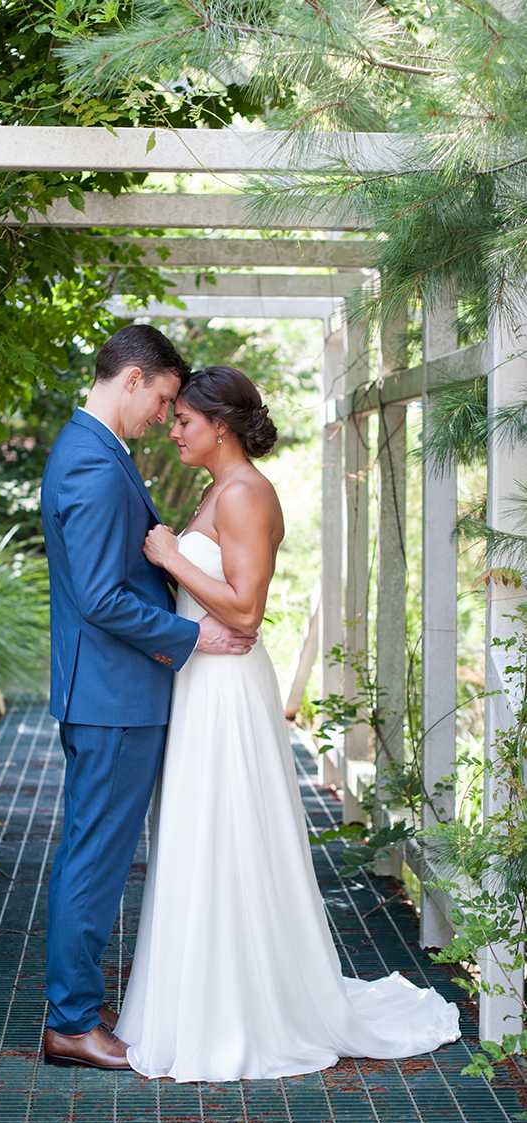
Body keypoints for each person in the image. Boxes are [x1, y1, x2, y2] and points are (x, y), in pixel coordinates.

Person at [116, 365, 461, 1082]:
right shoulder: (223, 489)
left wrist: (173, 556)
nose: (173, 429)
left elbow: (245, 610)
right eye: (172, 417)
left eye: (183, 419)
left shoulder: (245, 493)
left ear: (221, 425)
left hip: (227, 685)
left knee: (229, 832)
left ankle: (242, 1010)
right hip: (201, 680)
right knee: (202, 832)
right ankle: (204, 997)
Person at [39, 329, 257, 1071]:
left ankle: (75, 1005)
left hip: (107, 689)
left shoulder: (91, 450)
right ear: (132, 378)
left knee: (89, 851)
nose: (165, 414)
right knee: (94, 858)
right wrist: (189, 639)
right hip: (113, 694)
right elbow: (102, 596)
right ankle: (70, 1020)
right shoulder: (97, 465)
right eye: (164, 397)